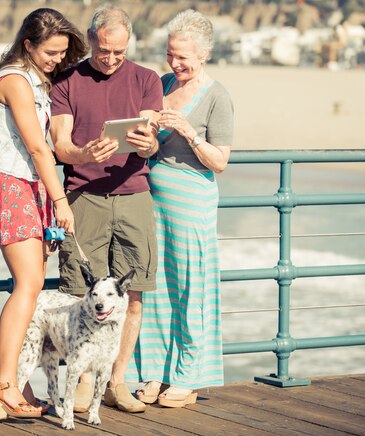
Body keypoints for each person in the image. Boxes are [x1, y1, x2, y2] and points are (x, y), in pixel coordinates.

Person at [0, 8, 86, 421]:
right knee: (29, 283)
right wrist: (60, 202)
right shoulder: (15, 80)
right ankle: (3, 386)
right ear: (28, 45)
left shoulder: (37, 79)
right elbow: (38, 148)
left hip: (30, 185)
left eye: (63, 52)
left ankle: (18, 383)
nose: (58, 59)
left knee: (31, 287)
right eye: (52, 51)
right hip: (9, 183)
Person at [50, 4, 162, 414]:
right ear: (92, 40)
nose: (111, 58)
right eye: (103, 51)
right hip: (84, 197)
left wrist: (150, 145)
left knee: (134, 295)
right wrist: (83, 152)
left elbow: (150, 135)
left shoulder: (146, 79)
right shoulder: (67, 79)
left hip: (134, 196)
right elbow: (60, 146)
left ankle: (117, 381)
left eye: (119, 51)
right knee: (80, 293)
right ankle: (81, 382)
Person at [127, 9, 234, 408]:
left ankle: (188, 376)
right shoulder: (163, 83)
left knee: (191, 289)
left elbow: (220, 161)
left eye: (183, 57)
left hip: (192, 206)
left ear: (204, 54)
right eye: (170, 54)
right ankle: (153, 372)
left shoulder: (217, 96)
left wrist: (188, 131)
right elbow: (149, 145)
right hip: (151, 201)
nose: (175, 63)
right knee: (154, 290)